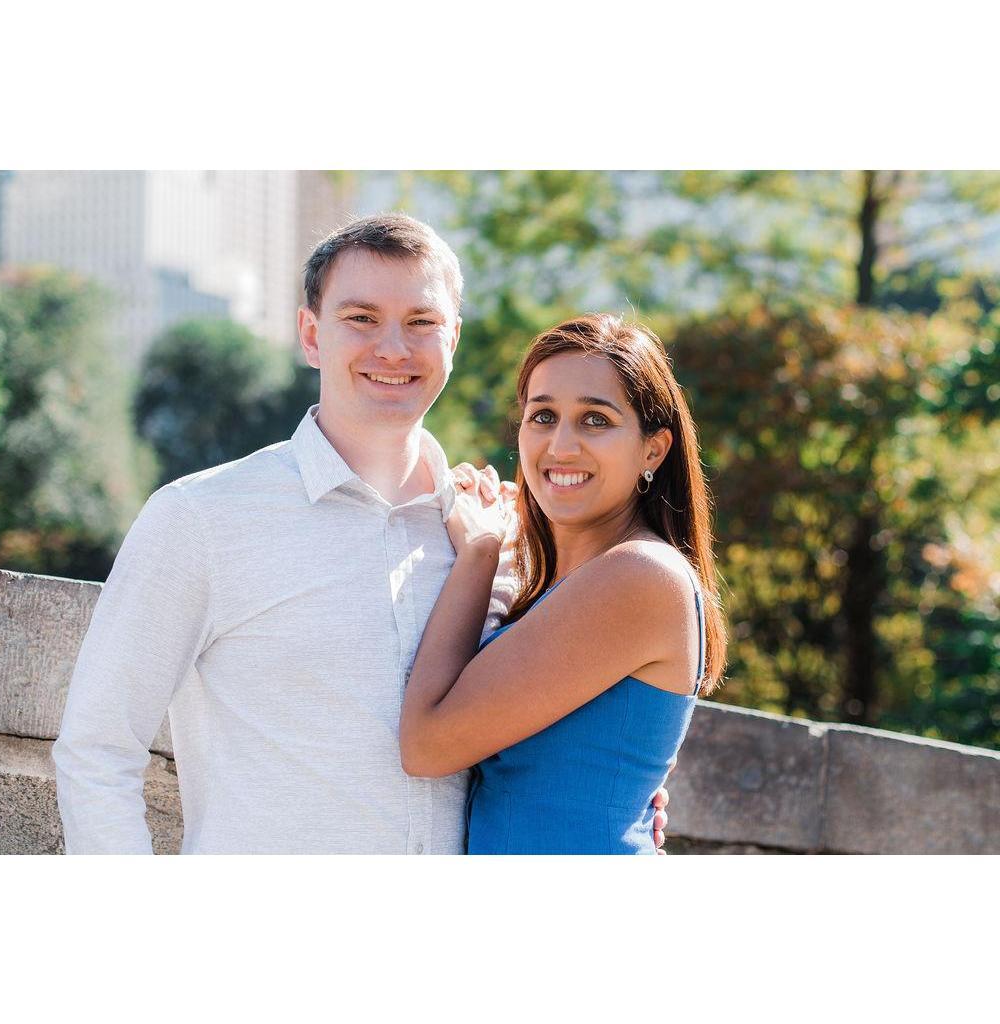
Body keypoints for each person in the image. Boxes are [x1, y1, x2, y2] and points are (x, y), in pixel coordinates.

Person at [52, 214, 673, 854]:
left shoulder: (501, 532)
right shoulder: (202, 518)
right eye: (361, 318)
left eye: (421, 322)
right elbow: (97, 753)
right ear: (311, 334)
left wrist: (628, 798)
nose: (394, 349)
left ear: (453, 339)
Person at [399, 313, 727, 853]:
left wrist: (480, 550)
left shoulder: (639, 575)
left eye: (595, 420)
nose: (561, 446)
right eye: (543, 416)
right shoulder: (562, 580)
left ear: (654, 449)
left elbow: (426, 745)